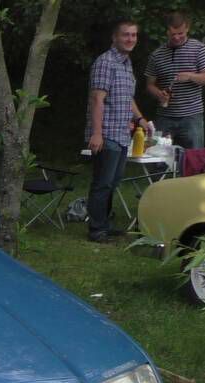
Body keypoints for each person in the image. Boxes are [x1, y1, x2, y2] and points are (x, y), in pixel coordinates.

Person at [85, 19, 151, 243]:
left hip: (122, 134)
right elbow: (97, 99)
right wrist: (96, 133)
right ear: (115, 37)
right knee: (102, 183)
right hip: (107, 133)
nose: (130, 39)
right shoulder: (106, 62)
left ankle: (105, 224)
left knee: (112, 182)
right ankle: (96, 230)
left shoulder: (126, 63)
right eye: (126, 35)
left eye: (134, 35)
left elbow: (127, 98)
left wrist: (140, 119)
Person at [144, 12, 205, 149]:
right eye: (172, 34)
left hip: (192, 116)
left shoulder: (199, 49)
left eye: (180, 33)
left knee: (193, 157)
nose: (176, 37)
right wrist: (159, 94)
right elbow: (149, 85)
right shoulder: (157, 55)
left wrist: (190, 76)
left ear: (187, 28)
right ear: (167, 31)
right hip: (164, 116)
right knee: (158, 156)